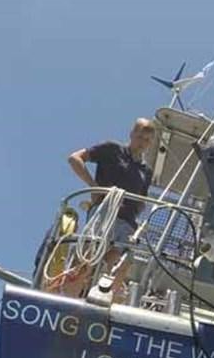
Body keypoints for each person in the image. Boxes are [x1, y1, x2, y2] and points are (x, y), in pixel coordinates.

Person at [62, 118, 156, 298]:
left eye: (147, 140)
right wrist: (93, 187)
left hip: (127, 223)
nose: (142, 142)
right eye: (140, 136)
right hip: (103, 215)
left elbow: (142, 199)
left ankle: (102, 307)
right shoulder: (112, 150)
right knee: (85, 262)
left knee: (115, 270)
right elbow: (75, 159)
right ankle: (67, 302)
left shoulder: (146, 171)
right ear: (131, 134)